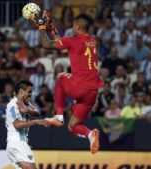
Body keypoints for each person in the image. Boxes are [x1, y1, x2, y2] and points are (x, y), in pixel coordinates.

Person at [36, 13, 103, 154]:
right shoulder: (91, 41)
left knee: (60, 76)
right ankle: (90, 134)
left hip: (79, 87)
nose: (71, 27)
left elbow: (46, 44)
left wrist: (42, 26)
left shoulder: (72, 41)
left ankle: (59, 115)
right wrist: (52, 28)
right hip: (92, 92)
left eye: (73, 25)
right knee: (73, 126)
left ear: (78, 27)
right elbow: (63, 43)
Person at [6, 80, 49, 169]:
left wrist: (28, 111)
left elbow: (37, 113)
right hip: (17, 142)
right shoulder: (13, 105)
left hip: (18, 143)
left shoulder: (27, 104)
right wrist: (35, 121)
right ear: (21, 91)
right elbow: (17, 125)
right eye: (29, 92)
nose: (31, 94)